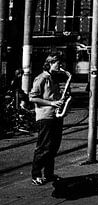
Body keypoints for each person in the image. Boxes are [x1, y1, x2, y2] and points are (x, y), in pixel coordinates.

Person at [29, 53, 67, 185]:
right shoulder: (41, 78)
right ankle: (36, 174)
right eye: (58, 63)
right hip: (45, 116)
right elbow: (32, 97)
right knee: (44, 146)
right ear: (50, 63)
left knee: (53, 146)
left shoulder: (53, 78)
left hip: (55, 116)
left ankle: (49, 174)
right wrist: (51, 103)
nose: (60, 66)